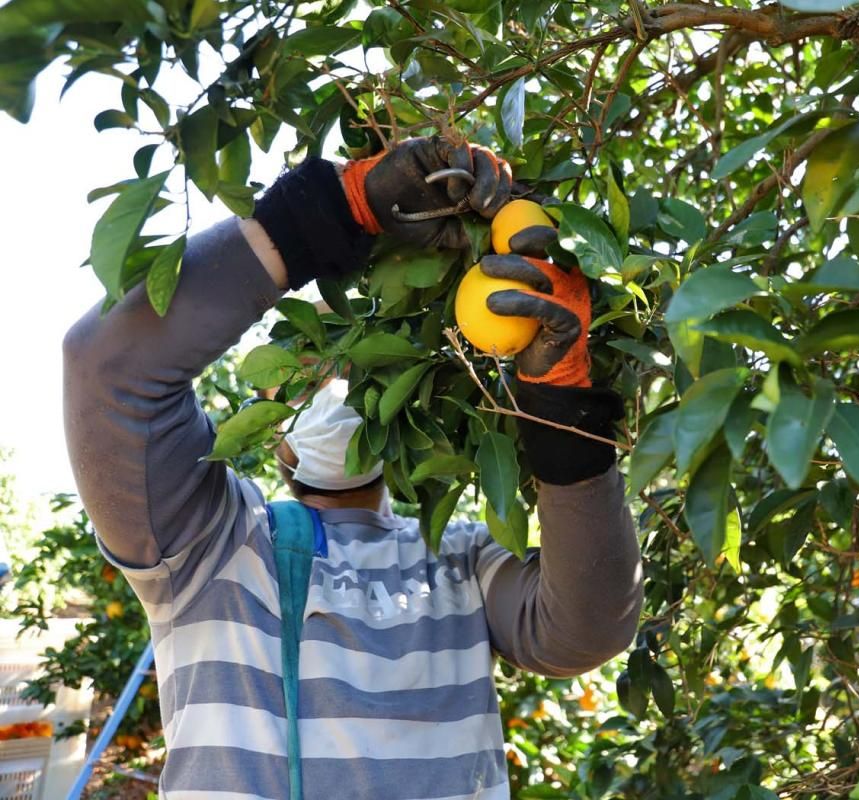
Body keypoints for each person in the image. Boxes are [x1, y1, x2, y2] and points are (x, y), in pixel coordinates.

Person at [62, 136, 644, 799]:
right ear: (271, 432)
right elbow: (105, 370)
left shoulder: (462, 559)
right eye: (306, 374)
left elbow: (585, 630)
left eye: (356, 369)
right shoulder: (210, 545)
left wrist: (562, 410)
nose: (335, 389)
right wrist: (335, 208)